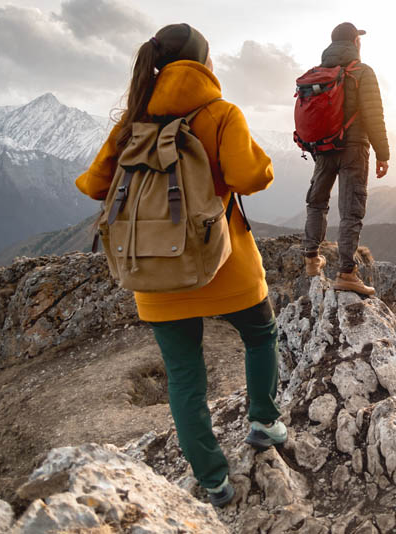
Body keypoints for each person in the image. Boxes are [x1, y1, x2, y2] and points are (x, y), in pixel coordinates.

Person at [75, 24, 285, 507]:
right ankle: (264, 422)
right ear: (205, 65)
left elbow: (92, 184)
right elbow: (251, 175)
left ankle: (213, 480)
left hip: (154, 274)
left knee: (186, 376)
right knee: (260, 335)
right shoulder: (220, 113)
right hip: (223, 265)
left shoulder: (132, 121)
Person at [302, 22, 390, 295]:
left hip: (323, 147)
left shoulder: (318, 74)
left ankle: (311, 258)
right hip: (353, 148)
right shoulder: (362, 72)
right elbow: (374, 115)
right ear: (355, 41)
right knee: (351, 209)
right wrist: (383, 154)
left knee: (317, 202)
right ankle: (346, 273)